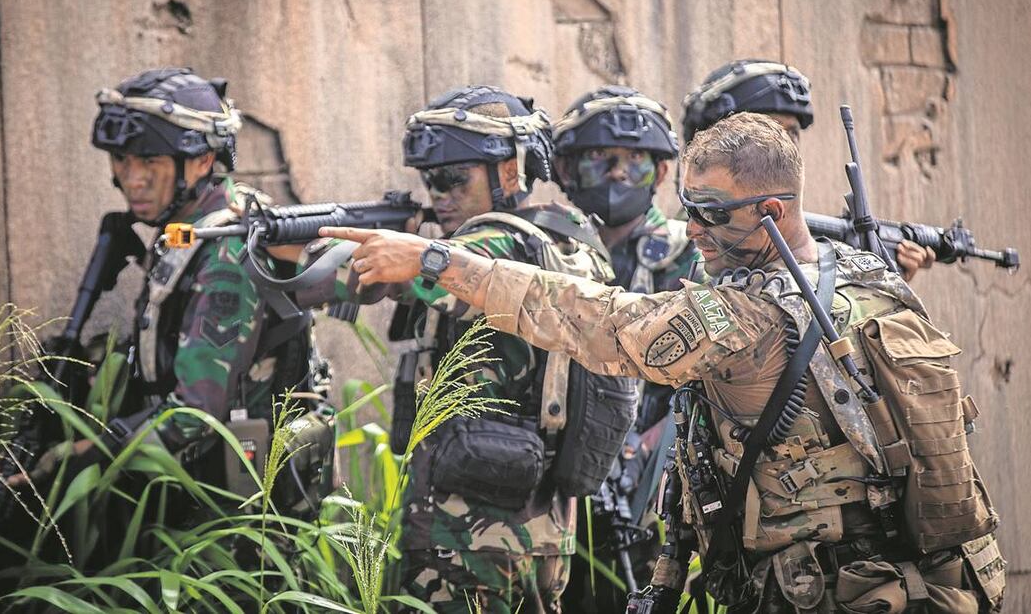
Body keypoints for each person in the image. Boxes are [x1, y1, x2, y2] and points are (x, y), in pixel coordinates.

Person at [321, 112, 1005, 613]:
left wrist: (439, 261)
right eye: (687, 209)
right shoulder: (864, 275)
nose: (694, 231)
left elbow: (603, 322)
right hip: (928, 580)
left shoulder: (748, 317)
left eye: (709, 214)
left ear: (771, 208)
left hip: (834, 590)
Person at [313, 85, 620, 613]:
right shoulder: (569, 240)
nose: (440, 195)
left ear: (508, 172)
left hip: (471, 529)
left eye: (456, 178)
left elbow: (434, 270)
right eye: (431, 180)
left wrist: (294, 252)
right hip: (542, 522)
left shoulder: (493, 243)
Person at [8, 68, 321, 511]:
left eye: (149, 162)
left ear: (202, 161)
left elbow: (194, 415)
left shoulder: (228, 249)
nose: (131, 179)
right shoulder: (186, 230)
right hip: (191, 485)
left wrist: (82, 459)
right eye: (122, 160)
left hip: (236, 514)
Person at [551, 86, 691, 610]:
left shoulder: (689, 254)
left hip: (655, 486)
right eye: (599, 158)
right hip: (560, 483)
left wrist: (660, 441)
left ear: (659, 173)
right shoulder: (550, 249)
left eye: (634, 160)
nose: (616, 173)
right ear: (565, 170)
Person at [681, 59, 936, 280]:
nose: (785, 144)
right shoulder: (690, 245)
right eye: (768, 129)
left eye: (791, 132)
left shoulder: (798, 237)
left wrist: (877, 283)